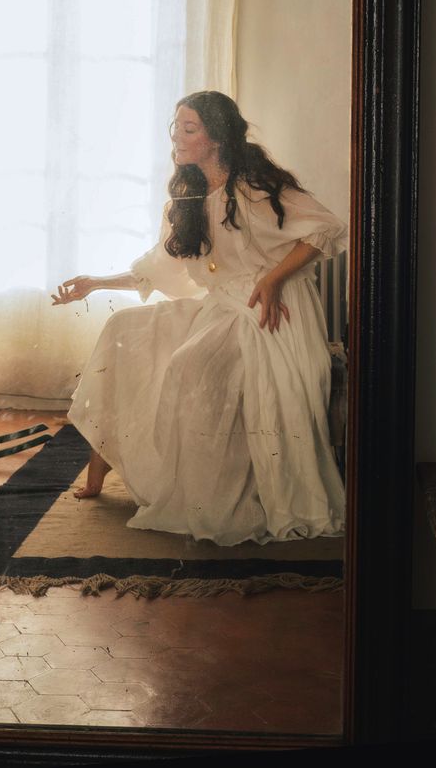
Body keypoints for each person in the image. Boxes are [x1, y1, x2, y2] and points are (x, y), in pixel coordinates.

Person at [52, 91, 346, 545]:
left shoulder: (254, 187)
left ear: (217, 137)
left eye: (189, 129)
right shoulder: (185, 198)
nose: (177, 138)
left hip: (269, 308)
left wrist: (272, 279)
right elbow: (160, 266)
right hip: (220, 306)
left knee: (188, 365)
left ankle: (216, 494)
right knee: (124, 327)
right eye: (176, 128)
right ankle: (138, 471)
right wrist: (95, 282)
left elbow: (325, 228)